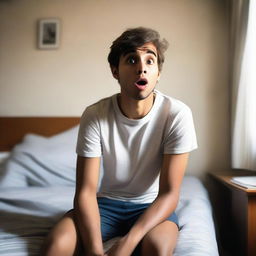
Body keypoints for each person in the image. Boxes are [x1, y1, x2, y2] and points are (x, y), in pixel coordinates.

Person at [42, 27, 197, 256]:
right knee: (56, 247)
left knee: (157, 249)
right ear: (115, 71)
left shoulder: (177, 114)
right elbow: (85, 191)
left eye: (150, 61)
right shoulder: (95, 114)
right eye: (132, 59)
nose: (141, 67)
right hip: (105, 206)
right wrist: (95, 251)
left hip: (151, 207)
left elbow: (169, 193)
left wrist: (127, 243)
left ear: (158, 72)